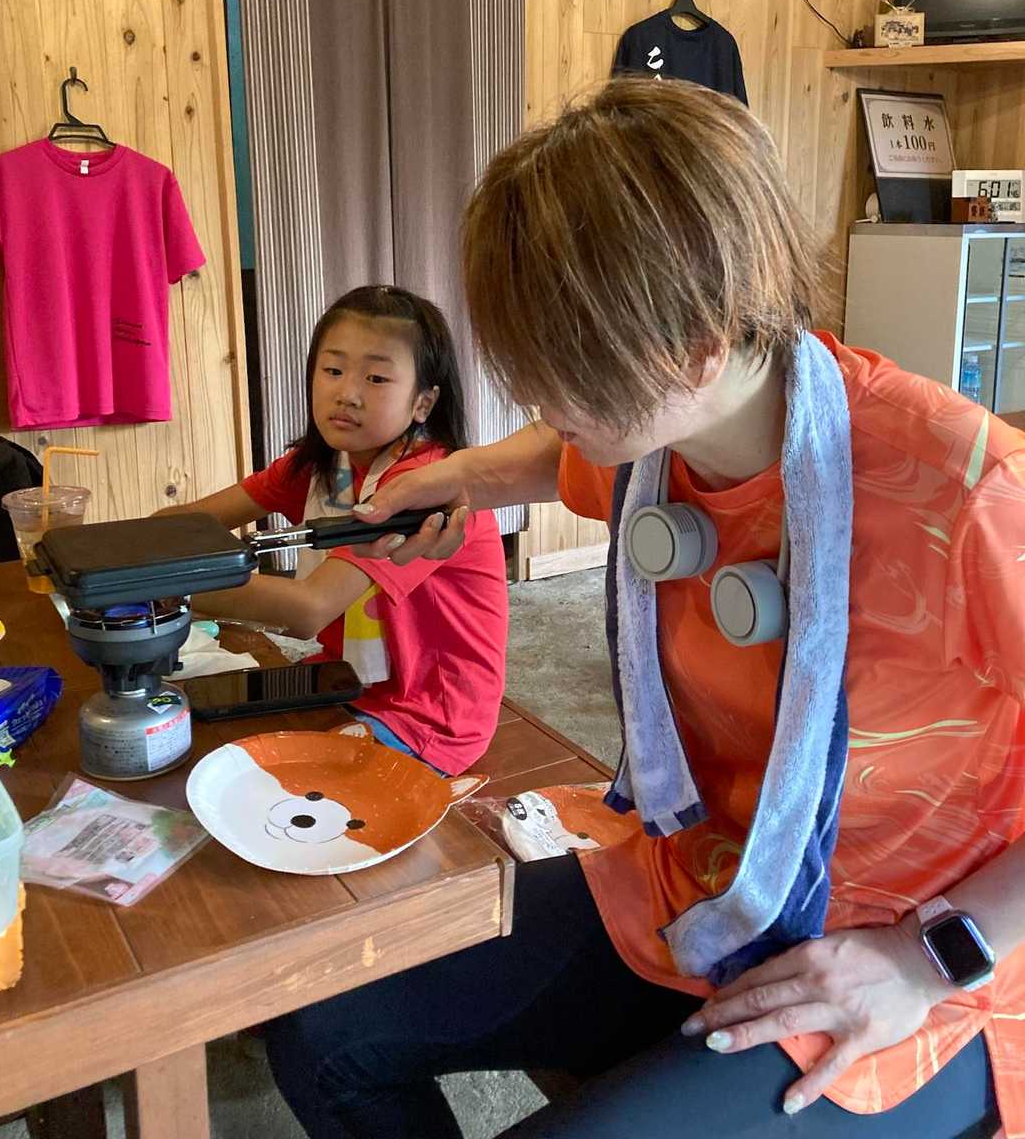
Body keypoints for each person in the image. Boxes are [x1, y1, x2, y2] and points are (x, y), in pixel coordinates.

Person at [264, 80, 1024, 1138]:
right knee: (321, 1025)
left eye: (561, 376)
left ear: (697, 343)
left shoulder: (967, 490)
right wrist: (454, 480)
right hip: (702, 880)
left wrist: (930, 957)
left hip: (915, 960)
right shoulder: (665, 435)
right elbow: (553, 454)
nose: (541, 404)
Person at [163, 285, 507, 776]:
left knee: (266, 787)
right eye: (333, 370)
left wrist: (164, 585)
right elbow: (188, 525)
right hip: (342, 677)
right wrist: (121, 552)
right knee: (198, 739)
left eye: (376, 377)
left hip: (428, 716)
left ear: (423, 403)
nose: (347, 394)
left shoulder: (427, 488)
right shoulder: (322, 466)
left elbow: (309, 608)